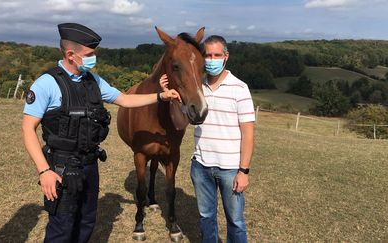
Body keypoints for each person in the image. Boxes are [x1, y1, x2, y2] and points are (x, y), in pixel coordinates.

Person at [21, 23, 180, 243]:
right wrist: (44, 171)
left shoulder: (93, 81)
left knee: (87, 221)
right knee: (62, 227)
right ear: (70, 55)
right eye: (89, 54)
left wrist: (161, 97)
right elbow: (27, 128)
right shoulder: (47, 84)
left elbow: (124, 99)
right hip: (61, 167)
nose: (93, 58)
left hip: (89, 164)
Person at [161, 35, 254, 242]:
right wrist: (170, 95)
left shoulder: (240, 88)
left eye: (216, 55)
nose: (212, 59)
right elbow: (179, 123)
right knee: (206, 217)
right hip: (201, 166)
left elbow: (248, 133)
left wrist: (243, 171)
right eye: (208, 55)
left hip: (230, 169)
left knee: (236, 221)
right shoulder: (196, 86)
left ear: (225, 56)